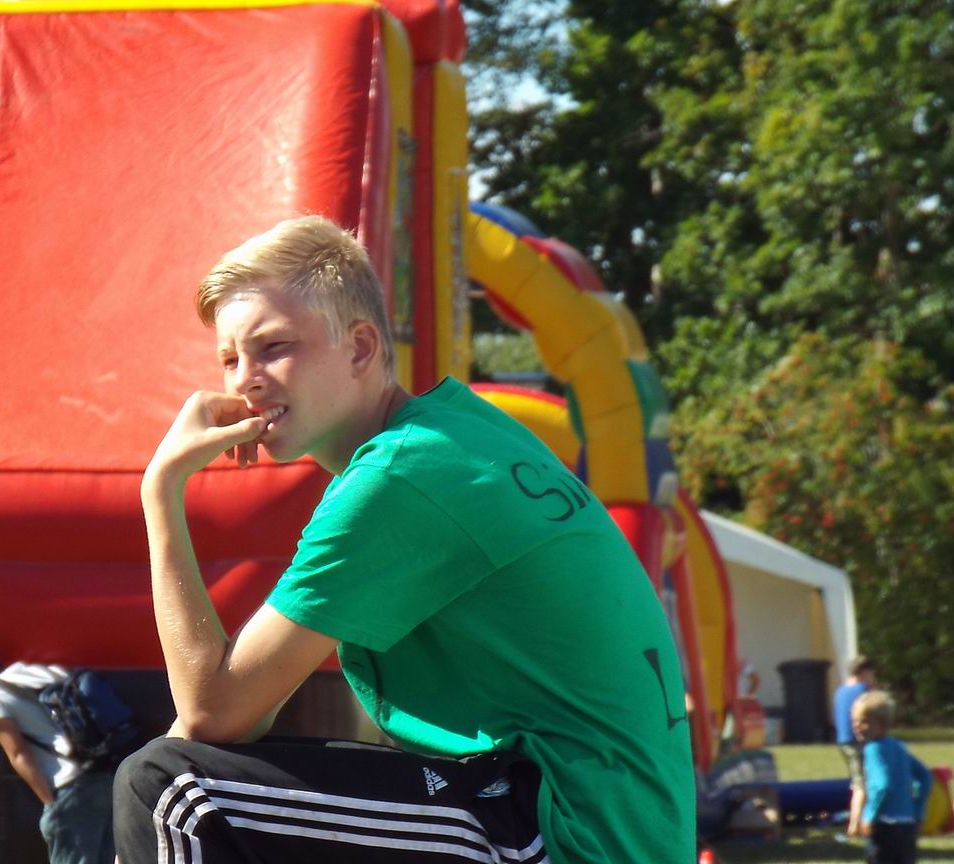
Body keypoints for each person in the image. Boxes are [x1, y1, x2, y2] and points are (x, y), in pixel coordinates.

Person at [113, 215, 695, 863]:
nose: (243, 379)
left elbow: (215, 712)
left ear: (361, 349)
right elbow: (237, 721)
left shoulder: (400, 477)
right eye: (229, 359)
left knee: (171, 792)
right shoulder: (451, 435)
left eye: (273, 347)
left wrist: (160, 490)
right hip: (589, 822)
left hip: (570, 836)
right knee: (197, 781)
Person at [0, 641, 115, 864]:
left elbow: (17, 752)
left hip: (68, 787)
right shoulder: (28, 672)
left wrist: (49, 802)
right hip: (101, 775)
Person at [851, 690, 931, 864]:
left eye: (864, 721)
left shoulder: (872, 749)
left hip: (884, 825)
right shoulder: (899, 746)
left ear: (882, 725)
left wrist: (869, 816)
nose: (857, 726)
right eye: (854, 721)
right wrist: (918, 812)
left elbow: (882, 785)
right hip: (907, 825)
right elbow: (925, 776)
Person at [836, 655, 878, 835]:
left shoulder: (841, 690)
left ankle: (863, 820)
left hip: (843, 741)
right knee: (862, 784)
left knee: (858, 780)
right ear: (865, 672)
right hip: (859, 742)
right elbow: (878, 711)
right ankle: (854, 826)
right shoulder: (864, 690)